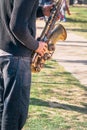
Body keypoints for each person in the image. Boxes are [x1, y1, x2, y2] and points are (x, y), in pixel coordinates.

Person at [0, 1, 52, 130]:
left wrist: (41, 11)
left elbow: (12, 10)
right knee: (15, 114)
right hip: (16, 56)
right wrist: (36, 46)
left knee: (3, 110)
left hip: (4, 51)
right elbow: (17, 26)